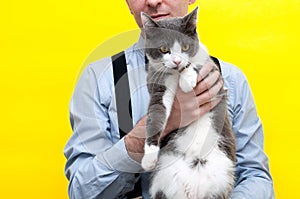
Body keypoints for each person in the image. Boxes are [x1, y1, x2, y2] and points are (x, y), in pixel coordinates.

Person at [64, 0, 275, 198]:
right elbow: (82, 191)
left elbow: (256, 177)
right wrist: (162, 125)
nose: (154, 1)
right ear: (127, 2)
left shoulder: (231, 79)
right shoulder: (99, 79)